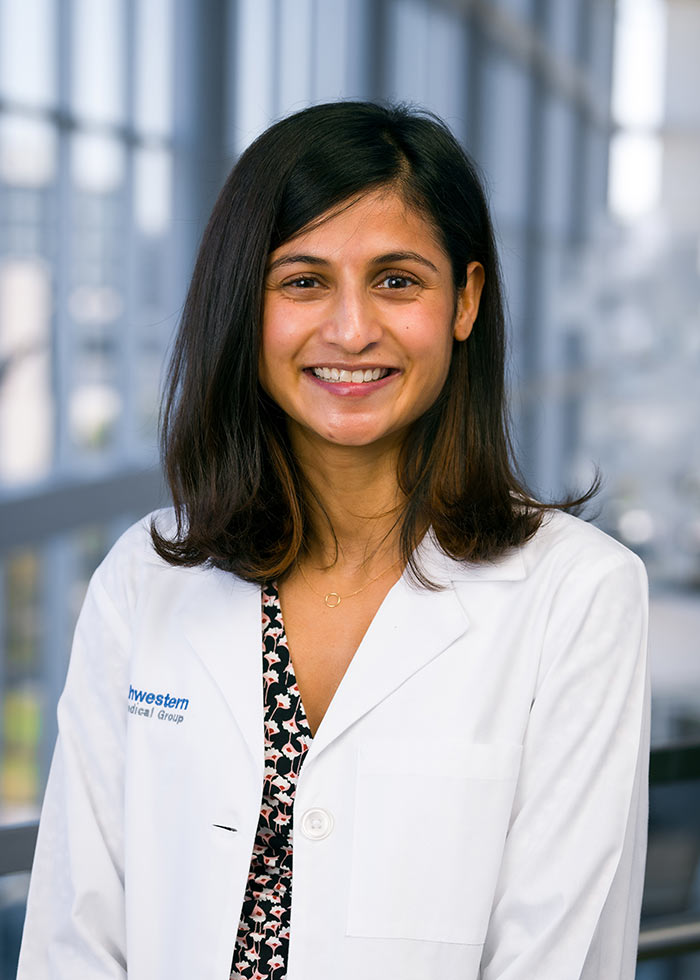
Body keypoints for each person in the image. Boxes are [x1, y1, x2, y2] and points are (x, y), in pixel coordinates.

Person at [17, 101, 649, 980]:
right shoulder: (144, 576)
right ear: (249, 303)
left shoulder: (580, 596)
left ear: (465, 300)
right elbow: (71, 934)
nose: (351, 331)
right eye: (303, 281)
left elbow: (558, 955)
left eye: (397, 280)